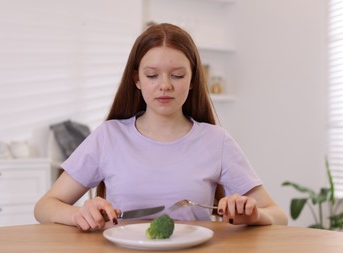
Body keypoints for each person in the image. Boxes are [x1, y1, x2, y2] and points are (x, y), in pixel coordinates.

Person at [34, 23, 288, 231]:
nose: (165, 85)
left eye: (177, 75)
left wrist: (254, 215)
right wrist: (79, 214)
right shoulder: (109, 136)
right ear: (137, 79)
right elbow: (45, 206)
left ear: (191, 80)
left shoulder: (216, 141)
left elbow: (277, 215)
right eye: (152, 75)